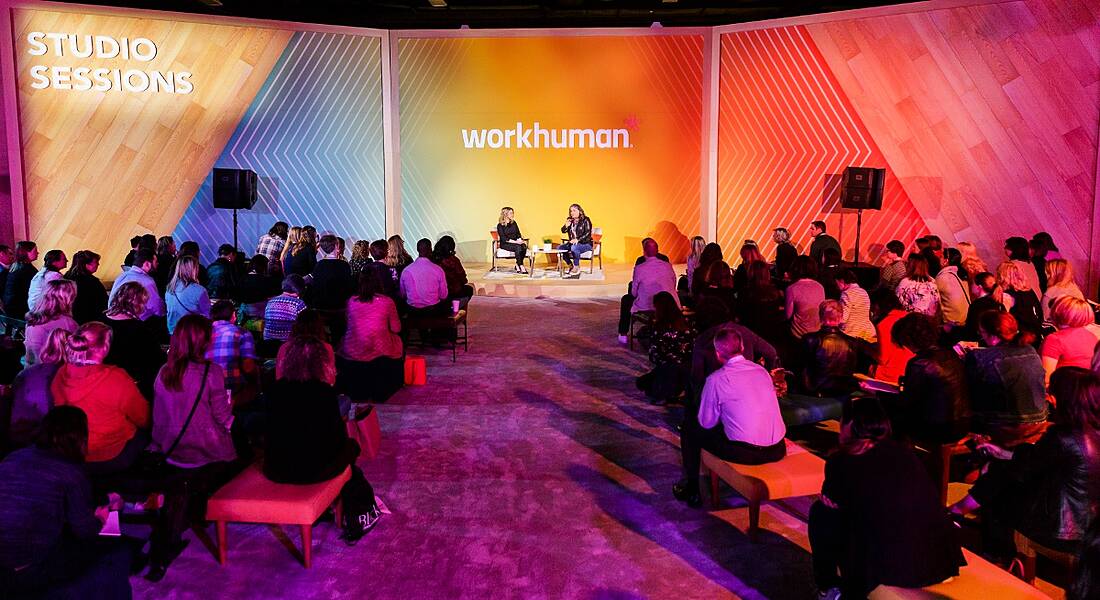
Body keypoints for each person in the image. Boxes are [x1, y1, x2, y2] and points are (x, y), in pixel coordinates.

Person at [809, 398, 964, 598]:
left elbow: (832, 501)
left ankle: (828, 585)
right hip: (940, 562)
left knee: (821, 513)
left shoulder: (841, 461)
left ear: (848, 425)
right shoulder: (905, 453)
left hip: (897, 569)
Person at [950, 367, 1100, 560]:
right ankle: (963, 514)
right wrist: (1005, 453)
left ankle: (998, 556)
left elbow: (1023, 468)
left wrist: (1002, 459)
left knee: (1000, 482)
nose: (1046, 395)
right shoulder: (1088, 432)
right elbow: (1037, 460)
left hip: (1066, 532)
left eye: (1051, 390)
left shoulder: (1064, 437)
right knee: (1003, 472)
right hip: (1091, 526)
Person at [0, 406, 135, 598]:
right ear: (81, 438)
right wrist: (101, 518)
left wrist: (103, 499)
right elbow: (83, 530)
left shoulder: (14, 457)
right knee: (119, 551)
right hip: (26, 565)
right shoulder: (71, 472)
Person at [146, 313, 236, 581]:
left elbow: (160, 414)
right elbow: (223, 418)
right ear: (204, 341)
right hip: (207, 451)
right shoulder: (211, 372)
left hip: (171, 449)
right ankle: (207, 507)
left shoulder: (164, 372)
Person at [266, 335, 381, 542]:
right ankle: (339, 502)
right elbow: (335, 440)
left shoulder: (275, 389)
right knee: (352, 446)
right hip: (314, 470)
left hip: (277, 468)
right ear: (321, 364)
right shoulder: (324, 393)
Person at [673, 327, 787, 506]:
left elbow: (706, 423)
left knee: (690, 428)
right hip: (777, 448)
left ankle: (692, 486)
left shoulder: (716, 380)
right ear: (742, 347)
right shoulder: (762, 372)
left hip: (744, 452)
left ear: (718, 354)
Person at [51, 322, 149, 475]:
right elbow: (143, 417)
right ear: (104, 348)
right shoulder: (116, 379)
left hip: (73, 450)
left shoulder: (61, 374)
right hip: (111, 454)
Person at [964, 311, 1047, 447]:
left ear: (992, 334)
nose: (981, 337)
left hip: (1004, 425)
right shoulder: (1030, 350)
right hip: (1038, 420)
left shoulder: (979, 357)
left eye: (982, 333)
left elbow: (971, 392)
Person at [890, 313, 970, 442]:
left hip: (938, 427)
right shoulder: (950, 354)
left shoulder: (920, 363)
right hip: (963, 422)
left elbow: (909, 401)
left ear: (908, 340)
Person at [337, 270, 404, 403]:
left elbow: (348, 324)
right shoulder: (387, 302)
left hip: (353, 350)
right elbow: (396, 328)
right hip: (380, 351)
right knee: (397, 341)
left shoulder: (351, 302)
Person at [103, 281, 167, 401]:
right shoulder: (139, 330)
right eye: (143, 303)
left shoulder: (100, 321)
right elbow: (156, 360)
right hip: (131, 387)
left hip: (104, 382)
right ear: (137, 304)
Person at [800, 300, 876, 397]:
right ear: (840, 318)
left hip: (816, 392)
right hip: (845, 392)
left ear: (821, 317)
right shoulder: (852, 342)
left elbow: (802, 368)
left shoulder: (810, 339)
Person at [10, 328, 70, 448]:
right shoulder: (70, 378)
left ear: (46, 347)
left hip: (20, 435)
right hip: (50, 439)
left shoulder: (26, 373)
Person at [636, 292, 695, 404]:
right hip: (687, 366)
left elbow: (656, 355)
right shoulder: (686, 323)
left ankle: (665, 392)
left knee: (646, 383)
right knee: (645, 381)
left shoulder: (659, 328)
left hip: (670, 367)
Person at [623, 238, 678, 336]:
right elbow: (674, 284)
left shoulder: (640, 268)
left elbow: (634, 293)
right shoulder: (668, 266)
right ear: (657, 251)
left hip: (648, 307)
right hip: (670, 304)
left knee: (626, 299)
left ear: (644, 252)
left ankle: (623, 334)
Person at [206, 300, 257, 403]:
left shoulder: (202, 332)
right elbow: (248, 367)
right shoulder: (242, 333)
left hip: (206, 386)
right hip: (232, 388)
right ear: (233, 315)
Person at [1040, 296, 1100, 384]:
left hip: (1066, 391)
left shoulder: (1054, 339)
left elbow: (1047, 378)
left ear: (1057, 312)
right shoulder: (1092, 336)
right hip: (1087, 391)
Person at [24, 279, 79, 367]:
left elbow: (30, 356)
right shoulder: (68, 323)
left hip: (31, 369)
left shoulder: (33, 318)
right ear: (67, 299)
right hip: (53, 373)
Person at [738, 261, 788, 345]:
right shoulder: (774, 292)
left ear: (750, 273)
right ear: (767, 274)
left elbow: (741, 314)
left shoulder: (744, 292)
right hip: (772, 334)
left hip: (751, 333)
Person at [108, 248, 165, 322]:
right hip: (139, 323)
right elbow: (157, 308)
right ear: (147, 264)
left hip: (115, 319)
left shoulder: (121, 276)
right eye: (156, 262)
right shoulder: (147, 281)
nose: (158, 264)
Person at [869, 288, 912, 384]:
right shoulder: (909, 316)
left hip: (894, 375)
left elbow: (883, 359)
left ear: (877, 305)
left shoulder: (884, 324)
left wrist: (866, 348)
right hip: (913, 370)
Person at [399, 238, 450, 316]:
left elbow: (403, 294)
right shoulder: (438, 270)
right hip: (433, 310)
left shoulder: (406, 270)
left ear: (417, 249)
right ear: (430, 250)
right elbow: (443, 295)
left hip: (412, 311)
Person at [996, 260, 1042, 341]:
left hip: (1020, 337)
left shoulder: (1008, 295)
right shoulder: (1029, 291)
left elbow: (1005, 318)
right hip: (1035, 333)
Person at [166, 255, 212, 334]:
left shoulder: (169, 289)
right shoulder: (199, 290)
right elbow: (208, 314)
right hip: (193, 332)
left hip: (173, 331)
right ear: (194, 270)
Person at [309, 234, 355, 311]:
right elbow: (348, 287)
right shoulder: (344, 265)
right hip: (339, 307)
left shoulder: (319, 265)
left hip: (321, 306)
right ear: (336, 246)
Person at [785, 256, 826, 339]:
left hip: (798, 334)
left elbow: (787, 315)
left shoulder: (792, 288)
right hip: (817, 332)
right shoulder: (820, 286)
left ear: (794, 269)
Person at [64, 250, 108, 324]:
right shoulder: (92, 282)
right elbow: (103, 302)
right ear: (87, 265)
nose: (98, 264)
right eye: (96, 262)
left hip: (69, 319)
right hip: (90, 320)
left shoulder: (66, 277)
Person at [263, 274, 308, 344]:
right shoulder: (299, 304)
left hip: (268, 343)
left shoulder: (271, 301)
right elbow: (306, 327)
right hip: (289, 345)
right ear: (300, 288)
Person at [835, 268, 876, 342]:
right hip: (866, 332)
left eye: (836, 283)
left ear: (842, 281)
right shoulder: (863, 291)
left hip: (851, 333)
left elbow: (843, 318)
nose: (836, 287)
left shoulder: (847, 294)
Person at [895, 254, 940, 318]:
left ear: (910, 266)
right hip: (931, 319)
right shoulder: (932, 281)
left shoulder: (905, 282)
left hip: (912, 320)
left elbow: (899, 303)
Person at [433, 235, 474, 305]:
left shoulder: (432, 259)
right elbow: (463, 278)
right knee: (469, 289)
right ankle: (457, 309)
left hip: (435, 293)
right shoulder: (454, 261)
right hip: (452, 292)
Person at [1041, 258, 1085, 323]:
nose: (1046, 276)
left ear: (1054, 274)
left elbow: (1045, 320)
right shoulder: (1076, 290)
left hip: (1060, 331)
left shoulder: (1050, 294)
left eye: (1048, 272)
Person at [238, 254, 279, 320]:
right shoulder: (265, 280)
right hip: (260, 313)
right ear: (263, 266)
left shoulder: (242, 278)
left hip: (244, 312)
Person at [4, 240, 39, 318]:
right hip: (19, 309)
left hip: (11, 307)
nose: (38, 253)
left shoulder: (16, 266)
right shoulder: (26, 270)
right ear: (26, 252)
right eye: (35, 250)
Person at [27, 249, 67, 313]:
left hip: (33, 310)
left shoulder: (42, 273)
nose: (67, 261)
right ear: (54, 262)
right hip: (43, 312)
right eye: (64, 259)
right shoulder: (54, 276)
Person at [559, 203, 593, 277]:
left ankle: (576, 266)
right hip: (573, 243)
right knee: (560, 248)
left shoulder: (586, 220)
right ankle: (570, 265)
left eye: (574, 210)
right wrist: (566, 226)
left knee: (574, 248)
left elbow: (588, 233)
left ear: (579, 211)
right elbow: (563, 231)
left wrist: (578, 239)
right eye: (571, 211)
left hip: (586, 243)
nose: (572, 213)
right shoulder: (570, 220)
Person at [1005, 236, 1042, 300]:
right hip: (1037, 296)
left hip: (1026, 299)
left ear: (1014, 249)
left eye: (1007, 247)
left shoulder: (1012, 265)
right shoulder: (1030, 263)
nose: (1004, 248)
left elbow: (1006, 284)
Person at [497, 206, 529, 273]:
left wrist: (519, 239)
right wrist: (516, 242)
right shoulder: (500, 225)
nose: (513, 215)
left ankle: (517, 264)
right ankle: (521, 265)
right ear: (505, 214)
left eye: (513, 213)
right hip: (505, 244)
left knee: (523, 246)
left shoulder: (514, 223)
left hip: (515, 242)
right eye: (511, 213)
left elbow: (518, 233)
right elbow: (504, 238)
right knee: (518, 247)